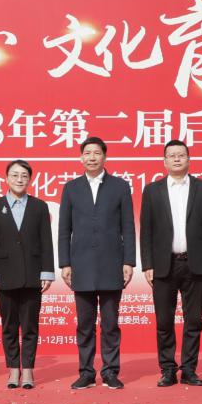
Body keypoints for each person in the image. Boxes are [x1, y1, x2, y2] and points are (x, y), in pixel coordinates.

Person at [59, 136, 136, 390]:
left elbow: (128, 226)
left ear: (105, 156)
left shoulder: (120, 186)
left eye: (96, 153)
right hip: (80, 265)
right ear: (81, 157)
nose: (92, 157)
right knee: (85, 324)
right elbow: (64, 229)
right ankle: (86, 372)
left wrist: (129, 261)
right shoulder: (71, 188)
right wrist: (65, 263)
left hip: (112, 263)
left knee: (110, 323)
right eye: (87, 153)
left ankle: (111, 371)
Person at [141, 140, 202, 387]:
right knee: (164, 321)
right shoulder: (152, 190)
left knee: (193, 321)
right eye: (171, 155)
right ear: (164, 161)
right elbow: (146, 231)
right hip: (164, 265)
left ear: (189, 159)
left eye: (181, 155)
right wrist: (147, 265)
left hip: (195, 263)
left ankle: (189, 370)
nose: (176, 159)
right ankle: (167, 369)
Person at [0, 160, 54, 389]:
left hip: (33, 275)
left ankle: (28, 370)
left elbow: (46, 242)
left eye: (24, 175)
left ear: (29, 179)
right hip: (4, 276)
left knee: (30, 326)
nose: (19, 179)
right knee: (9, 326)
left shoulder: (39, 206)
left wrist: (47, 272)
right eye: (14, 175)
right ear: (6, 178)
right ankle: (14, 369)